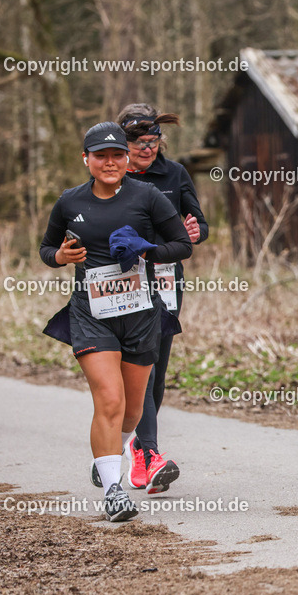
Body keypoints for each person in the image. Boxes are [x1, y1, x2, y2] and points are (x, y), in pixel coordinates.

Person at [40, 121, 192, 521]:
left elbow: (183, 245)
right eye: (101, 155)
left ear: (127, 159)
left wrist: (148, 250)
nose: (110, 162)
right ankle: (113, 489)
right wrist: (61, 257)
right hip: (91, 313)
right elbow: (46, 247)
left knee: (130, 412)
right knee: (109, 399)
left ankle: (107, 454)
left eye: (117, 155)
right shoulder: (69, 202)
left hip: (141, 313)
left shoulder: (149, 196)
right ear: (86, 159)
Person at [115, 103, 208, 495]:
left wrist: (195, 230)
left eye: (154, 142)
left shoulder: (175, 174)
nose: (148, 149)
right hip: (125, 282)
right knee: (144, 365)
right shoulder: (110, 173)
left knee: (158, 372)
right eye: (140, 143)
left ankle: (136, 442)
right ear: (124, 143)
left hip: (168, 279)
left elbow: (198, 224)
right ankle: (148, 452)